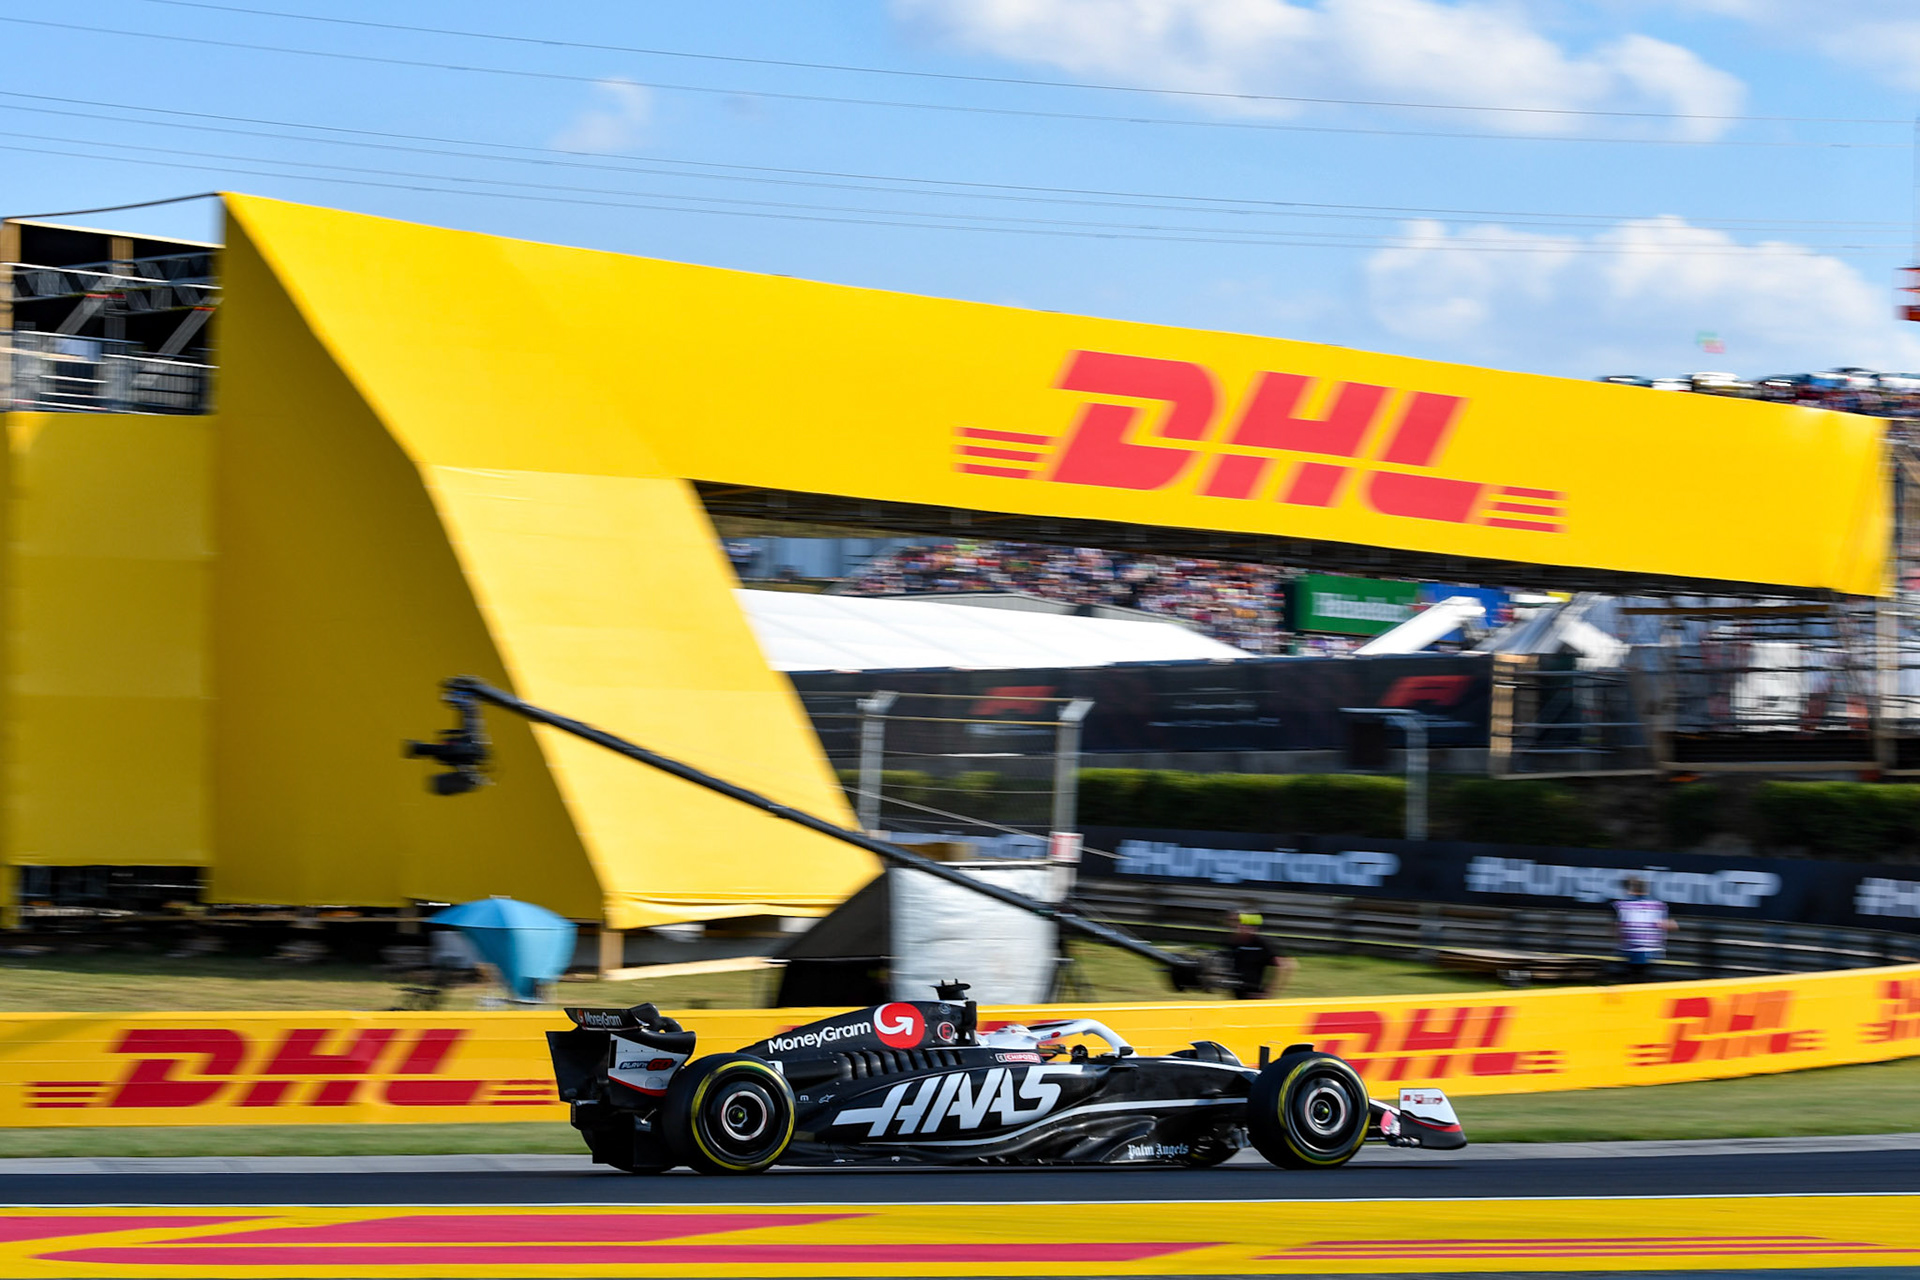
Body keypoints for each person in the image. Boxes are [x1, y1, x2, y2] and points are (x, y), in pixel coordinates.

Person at [1612, 875, 1676, 981]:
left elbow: (1616, 928)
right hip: (1651, 951)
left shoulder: (1623, 905)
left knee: (1633, 979)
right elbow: (1669, 924)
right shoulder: (1658, 905)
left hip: (1630, 950)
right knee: (1643, 979)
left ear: (1630, 889)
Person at [1223, 913, 1296, 999]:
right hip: (1236, 993)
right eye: (1239, 924)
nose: (1240, 927)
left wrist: (1270, 991)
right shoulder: (1234, 942)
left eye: (1247, 925)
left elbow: (1287, 965)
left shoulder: (1263, 944)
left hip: (1255, 993)